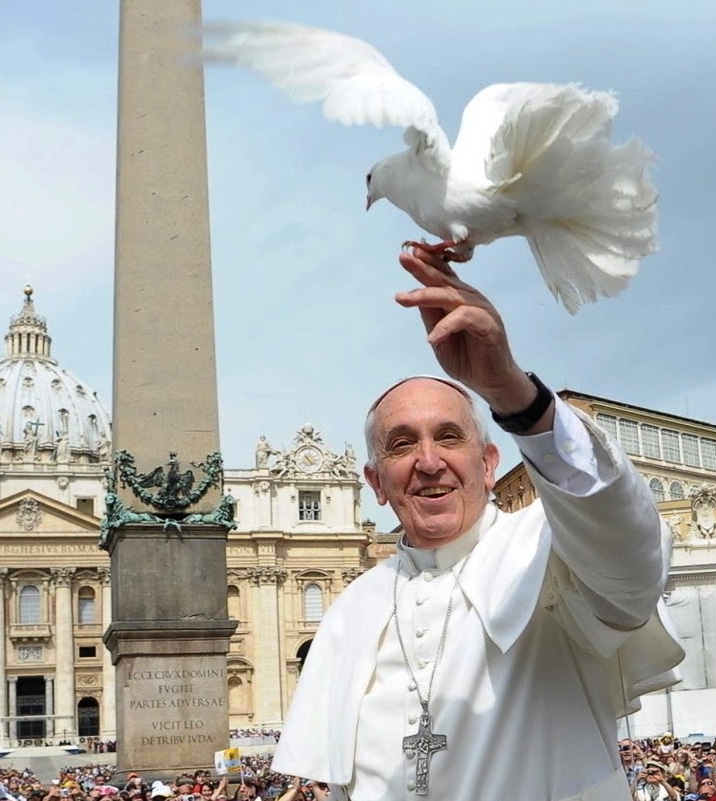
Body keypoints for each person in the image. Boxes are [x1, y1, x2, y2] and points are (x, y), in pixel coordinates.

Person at [271, 247, 684, 800]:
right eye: (401, 445)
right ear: (375, 483)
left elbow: (629, 553)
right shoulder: (355, 606)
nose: (428, 462)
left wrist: (510, 390)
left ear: (489, 465)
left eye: (448, 436)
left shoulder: (552, 546)